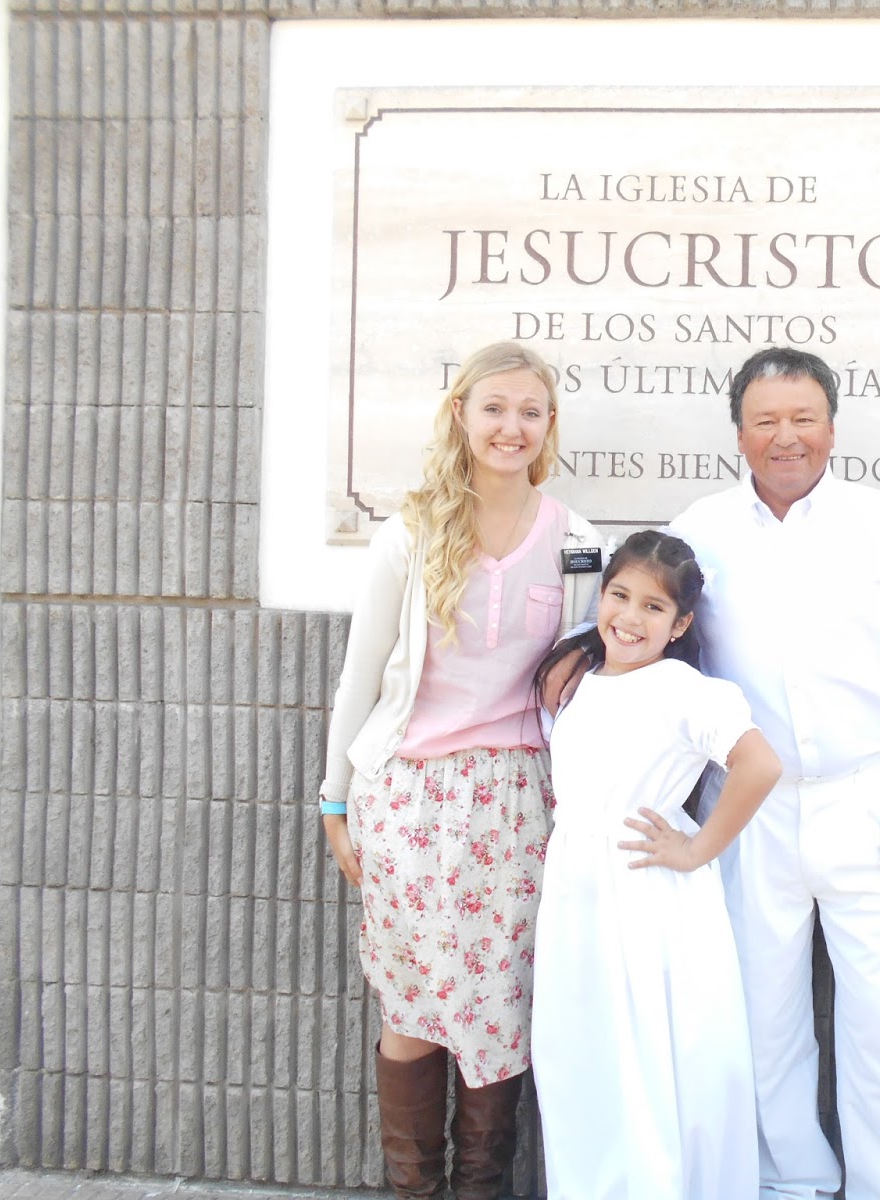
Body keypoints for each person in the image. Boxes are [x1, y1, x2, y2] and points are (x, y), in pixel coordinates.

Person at [669, 347, 880, 1200]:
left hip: (871, 804)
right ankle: (790, 1182)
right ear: (739, 433)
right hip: (748, 809)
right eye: (765, 420)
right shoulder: (698, 530)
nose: (785, 437)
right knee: (764, 1019)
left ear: (833, 427)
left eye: (803, 418)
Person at [318, 341, 603, 1200]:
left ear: (550, 425)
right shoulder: (409, 534)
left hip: (517, 806)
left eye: (531, 412)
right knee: (412, 1009)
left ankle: (481, 1190)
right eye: (495, 408)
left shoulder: (577, 541)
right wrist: (335, 800)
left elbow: (584, 686)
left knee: (501, 1010)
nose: (512, 427)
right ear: (462, 415)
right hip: (408, 802)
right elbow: (361, 674)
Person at [529, 530, 783, 1199]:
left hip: (644, 895)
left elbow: (760, 765)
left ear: (681, 624)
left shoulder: (684, 690)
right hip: (578, 887)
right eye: (619, 596)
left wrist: (698, 847)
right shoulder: (583, 679)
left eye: (653, 607)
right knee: (584, 1051)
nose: (630, 617)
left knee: (648, 1053)